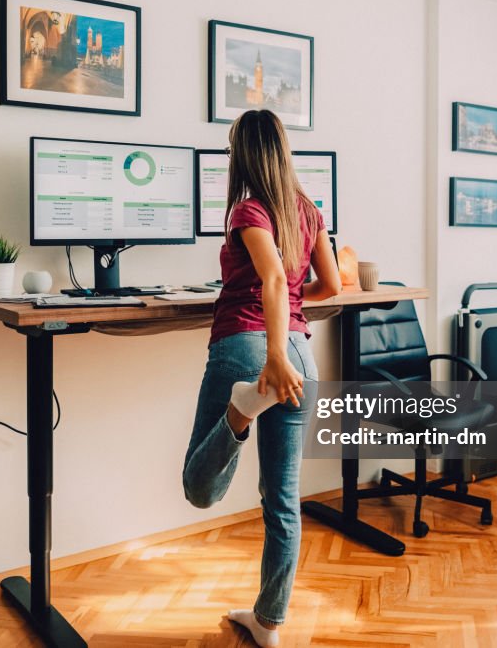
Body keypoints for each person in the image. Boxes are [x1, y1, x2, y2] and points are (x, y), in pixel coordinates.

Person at [181, 109, 342, 647]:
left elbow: (272, 276)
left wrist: (273, 357)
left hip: (252, 346)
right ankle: (269, 624)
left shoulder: (247, 209)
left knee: (199, 490)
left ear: (241, 154)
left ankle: (240, 410)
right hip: (303, 354)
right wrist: (291, 320)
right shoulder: (308, 211)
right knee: (283, 499)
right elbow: (331, 287)